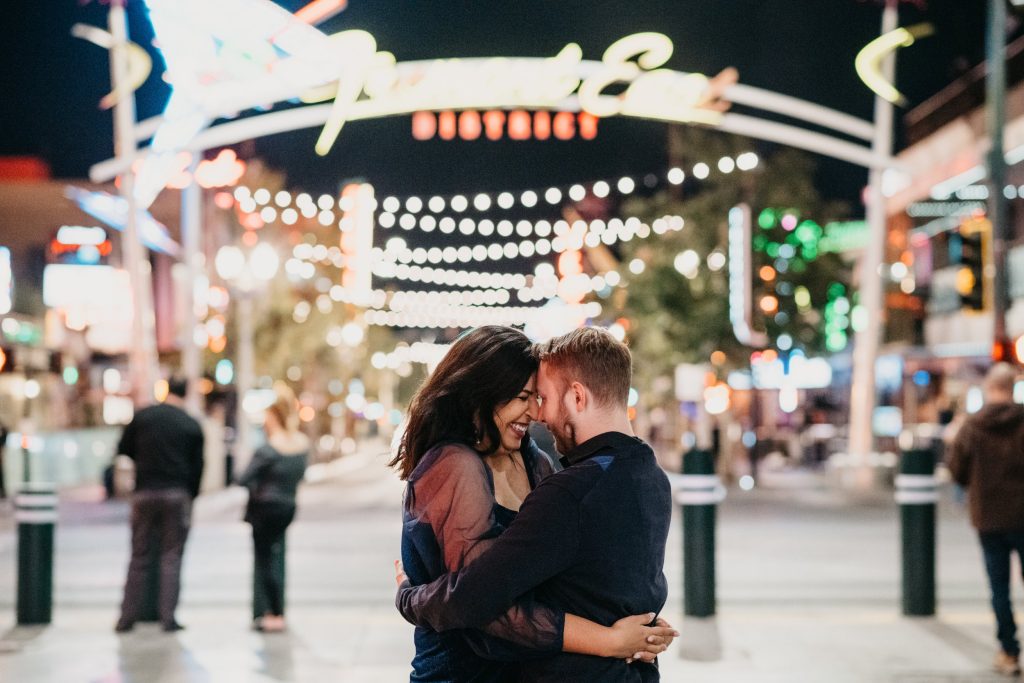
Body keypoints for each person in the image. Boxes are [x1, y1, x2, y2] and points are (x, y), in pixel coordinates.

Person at [390, 325, 674, 682]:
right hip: (464, 674)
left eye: (538, 397)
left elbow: (569, 574)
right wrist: (608, 640)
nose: (535, 412)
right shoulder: (454, 464)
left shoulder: (533, 460)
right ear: (483, 393)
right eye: (523, 397)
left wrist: (633, 622)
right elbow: (483, 608)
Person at [949, 363, 1024, 677]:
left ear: (989, 388)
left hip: (989, 517)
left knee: (999, 587)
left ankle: (1008, 651)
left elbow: (957, 471)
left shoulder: (972, 425)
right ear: (1012, 388)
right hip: (1023, 515)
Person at [115, 376, 204, 633]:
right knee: (171, 557)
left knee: (139, 555)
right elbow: (198, 467)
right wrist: (190, 495)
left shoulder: (144, 417)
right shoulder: (190, 424)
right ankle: (168, 618)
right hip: (177, 494)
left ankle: (126, 618)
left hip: (144, 492)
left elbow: (123, 448)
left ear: (166, 390)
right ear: (186, 393)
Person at [237, 383, 309, 633]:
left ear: (273, 417)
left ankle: (273, 613)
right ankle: (277, 611)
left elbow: (243, 478)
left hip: (264, 510)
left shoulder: (268, 449)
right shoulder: (301, 446)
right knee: (276, 559)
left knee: (265, 561)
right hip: (288, 508)